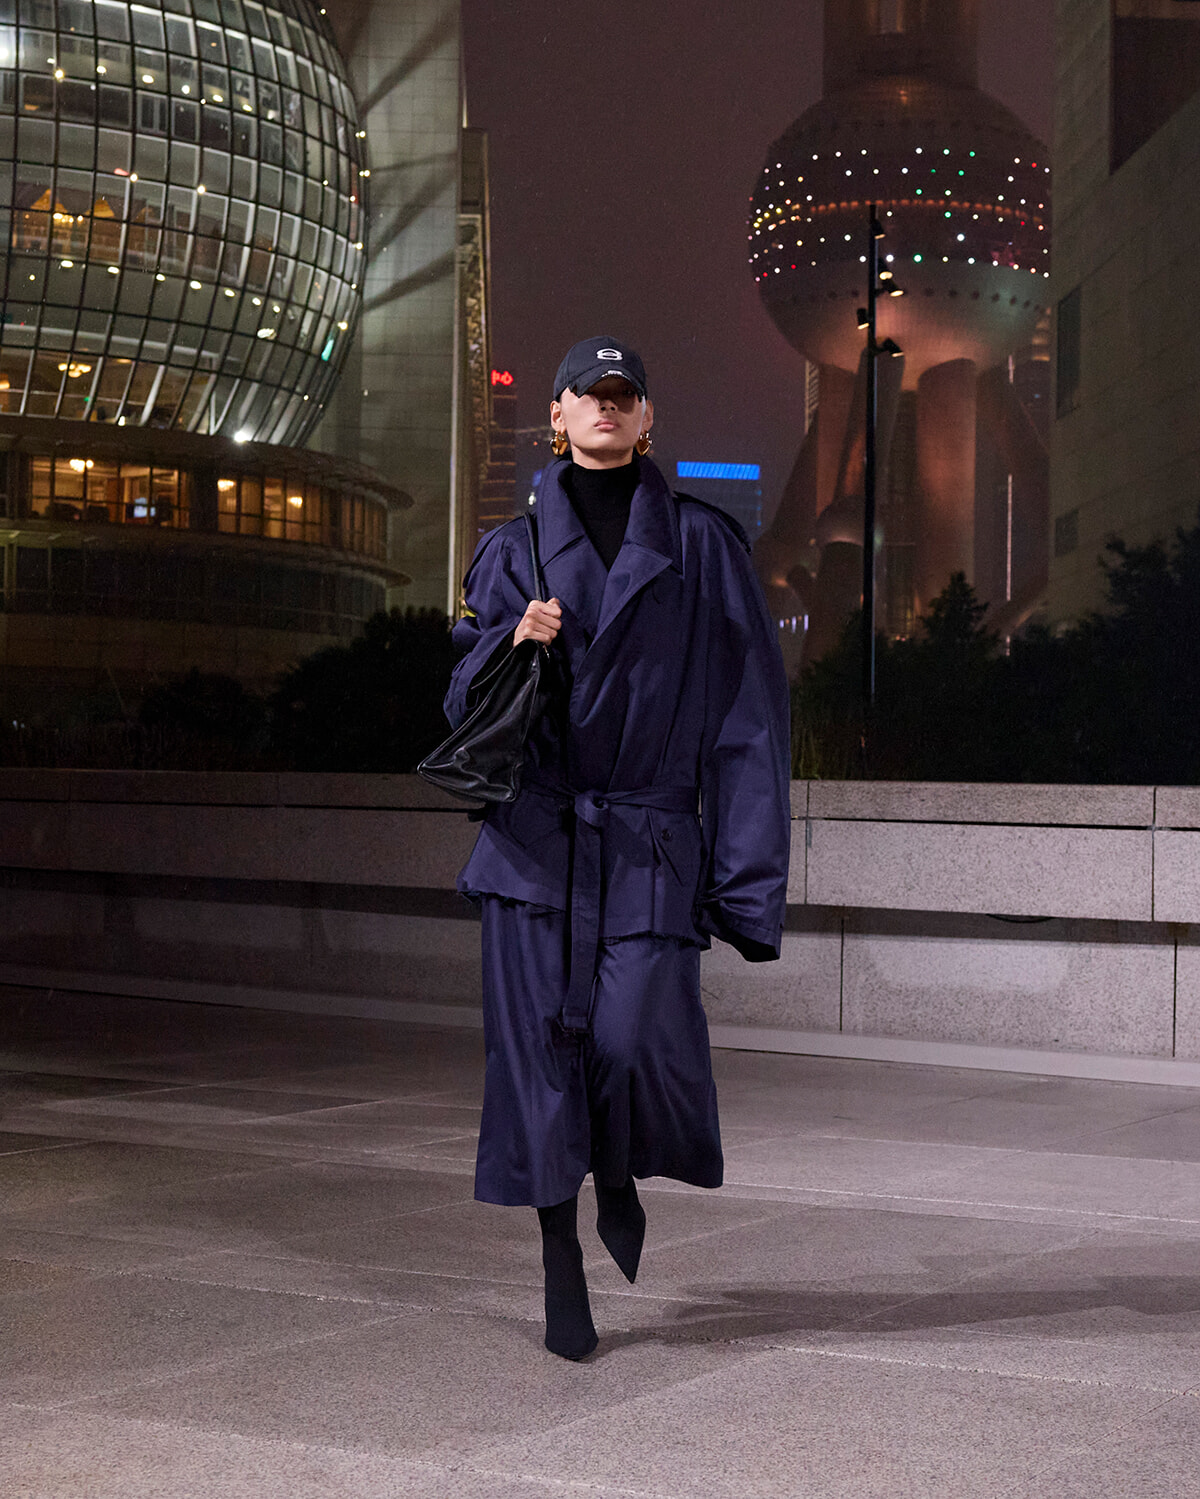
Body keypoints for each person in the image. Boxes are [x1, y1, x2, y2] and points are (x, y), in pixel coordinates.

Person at [444, 337, 791, 1360]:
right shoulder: (508, 552)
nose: (605, 405)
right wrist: (511, 646)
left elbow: (750, 720)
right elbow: (458, 706)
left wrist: (746, 881)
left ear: (647, 419)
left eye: (623, 393)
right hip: (532, 845)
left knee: (632, 1038)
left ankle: (615, 1170)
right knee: (536, 1060)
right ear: (555, 416)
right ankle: (561, 1256)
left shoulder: (704, 546)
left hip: (646, 842)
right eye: (586, 393)